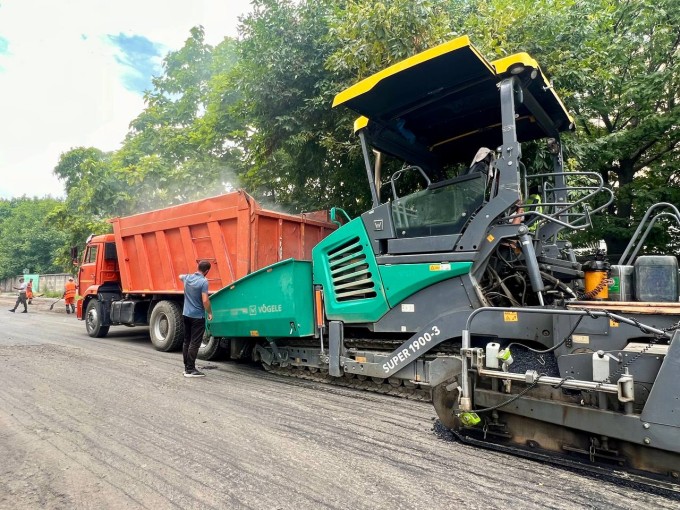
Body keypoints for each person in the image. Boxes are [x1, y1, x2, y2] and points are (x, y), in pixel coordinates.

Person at [179, 261, 213, 378]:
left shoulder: (187, 278)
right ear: (207, 271)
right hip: (197, 317)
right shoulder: (203, 282)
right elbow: (205, 300)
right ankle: (191, 369)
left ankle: (186, 368)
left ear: (197, 268)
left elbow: (180, 276)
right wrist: (209, 312)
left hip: (186, 315)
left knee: (187, 341)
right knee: (194, 343)